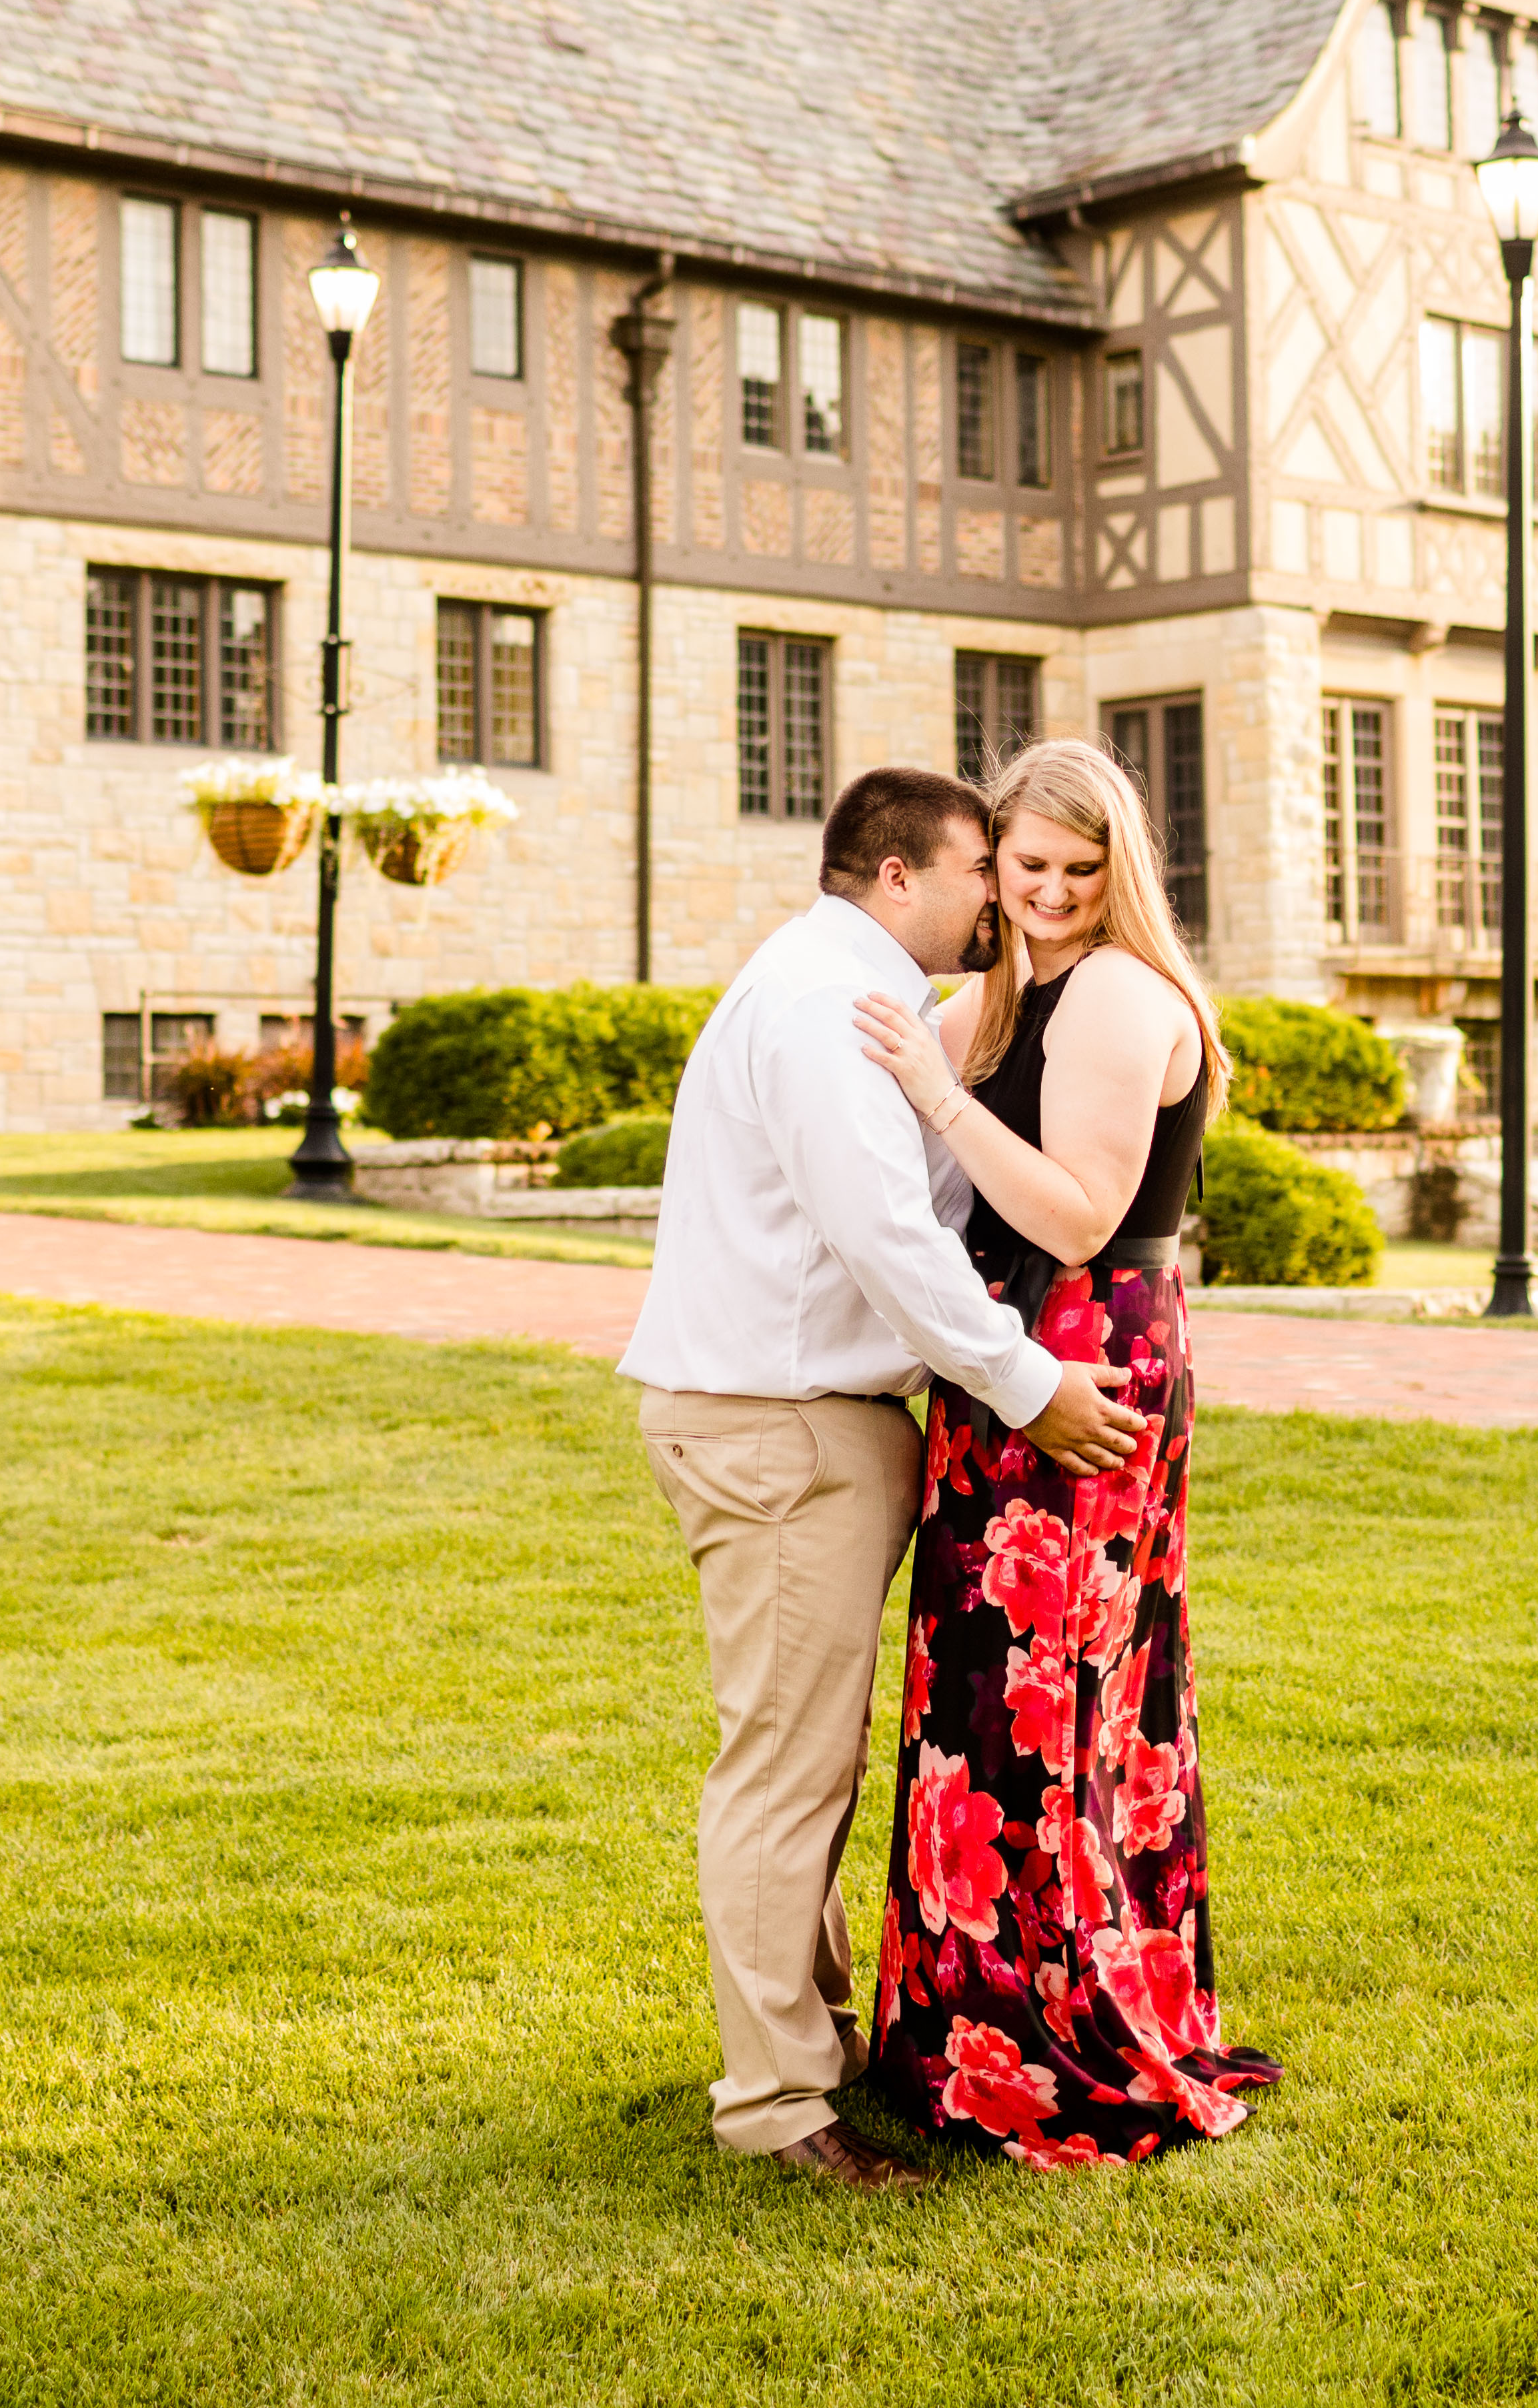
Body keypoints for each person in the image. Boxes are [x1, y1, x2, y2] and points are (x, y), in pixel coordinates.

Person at [616, 766, 1156, 2196]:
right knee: (787, 1767)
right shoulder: (822, 1006)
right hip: (781, 1422)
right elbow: (885, 1238)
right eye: (987, 865)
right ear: (904, 876)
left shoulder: (852, 992)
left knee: (810, 1757)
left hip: (801, 1418)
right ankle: (779, 2099)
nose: (1005, 894)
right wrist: (1031, 1386)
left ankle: (814, 2045)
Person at [850, 736, 1283, 2168]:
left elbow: (1081, 1212)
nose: (1044, 893)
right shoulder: (1034, 984)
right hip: (1032, 1351)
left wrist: (935, 1082)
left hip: (1078, 1351)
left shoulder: (1109, 988)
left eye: (1077, 870)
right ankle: (981, 2020)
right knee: (1016, 1679)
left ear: (1123, 871)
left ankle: (1046, 2031)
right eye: (1023, 867)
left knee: (1042, 1685)